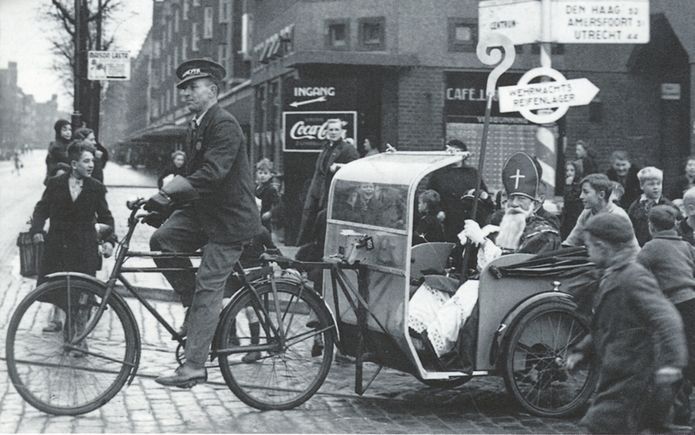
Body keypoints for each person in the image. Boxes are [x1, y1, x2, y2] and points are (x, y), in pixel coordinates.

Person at [146, 58, 261, 388]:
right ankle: (191, 304)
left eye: (192, 88)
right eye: (183, 88)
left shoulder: (224, 124)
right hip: (203, 213)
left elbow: (211, 174)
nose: (185, 94)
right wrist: (158, 207)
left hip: (228, 220)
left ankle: (194, 366)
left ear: (212, 90)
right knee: (162, 240)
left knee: (209, 288)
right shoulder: (195, 125)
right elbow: (191, 176)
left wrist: (168, 194)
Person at [410, 153, 561, 362]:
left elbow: (514, 265)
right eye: (511, 199)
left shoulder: (544, 233)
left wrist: (482, 241)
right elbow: (486, 262)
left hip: (515, 288)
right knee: (436, 285)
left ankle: (434, 345)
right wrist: (472, 243)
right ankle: (414, 333)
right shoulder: (503, 223)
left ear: (536, 204)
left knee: (467, 291)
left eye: (522, 199)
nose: (514, 204)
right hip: (491, 281)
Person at [566, 213, 687, 433]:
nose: (587, 251)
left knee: (598, 426)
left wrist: (672, 363)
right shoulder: (612, 275)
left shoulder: (633, 277)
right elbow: (608, 324)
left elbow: (667, 318)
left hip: (636, 379)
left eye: (589, 246)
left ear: (603, 246)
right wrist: (582, 350)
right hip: (618, 374)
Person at [30, 141, 116, 345]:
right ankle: (71, 335)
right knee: (63, 295)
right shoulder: (55, 184)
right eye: (86, 161)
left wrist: (109, 240)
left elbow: (106, 217)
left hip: (84, 249)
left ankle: (79, 338)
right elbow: (42, 208)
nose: (91, 165)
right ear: (74, 163)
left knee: (83, 296)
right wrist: (37, 229)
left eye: (92, 161)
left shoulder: (96, 188)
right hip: (58, 247)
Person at [637, 205, 695, 426]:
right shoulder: (686, 246)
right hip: (691, 303)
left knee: (672, 358)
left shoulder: (651, 247)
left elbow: (636, 273)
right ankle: (681, 412)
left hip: (672, 306)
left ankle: (674, 414)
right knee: (688, 355)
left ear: (651, 226)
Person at [296, 118, 359, 245]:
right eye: (331, 129)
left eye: (336, 130)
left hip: (335, 193)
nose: (333, 132)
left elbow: (356, 168)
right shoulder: (326, 148)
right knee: (311, 221)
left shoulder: (348, 149)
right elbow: (319, 172)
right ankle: (310, 248)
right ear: (326, 131)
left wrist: (339, 166)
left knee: (326, 222)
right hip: (318, 193)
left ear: (342, 131)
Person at [427, 139, 492, 242]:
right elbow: (430, 195)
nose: (453, 154)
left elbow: (483, 195)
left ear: (463, 154)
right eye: (449, 151)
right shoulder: (438, 174)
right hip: (448, 220)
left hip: (470, 220)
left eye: (456, 151)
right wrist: (438, 211)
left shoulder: (472, 174)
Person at [563, 173, 634, 247]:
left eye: (586, 192)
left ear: (601, 195)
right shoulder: (587, 213)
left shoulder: (618, 216)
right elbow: (571, 242)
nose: (581, 196)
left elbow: (620, 252)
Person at [627, 166, 675, 246]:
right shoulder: (636, 205)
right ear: (642, 186)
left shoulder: (668, 206)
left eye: (658, 184)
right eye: (651, 184)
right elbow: (631, 227)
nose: (656, 187)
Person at [255, 158, 280, 234]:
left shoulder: (271, 189)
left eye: (265, 173)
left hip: (265, 220)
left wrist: (270, 213)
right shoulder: (255, 188)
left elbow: (278, 204)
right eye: (260, 173)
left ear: (270, 175)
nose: (262, 176)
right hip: (255, 218)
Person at [44, 119, 72, 185]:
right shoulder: (56, 147)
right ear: (58, 131)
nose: (68, 132)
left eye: (70, 130)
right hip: (58, 181)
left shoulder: (70, 144)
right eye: (64, 130)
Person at [560, 161, 583, 239]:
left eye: (572, 170)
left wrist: (568, 186)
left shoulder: (578, 184)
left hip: (575, 215)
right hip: (568, 216)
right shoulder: (570, 182)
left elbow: (570, 199)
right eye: (567, 170)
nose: (569, 173)